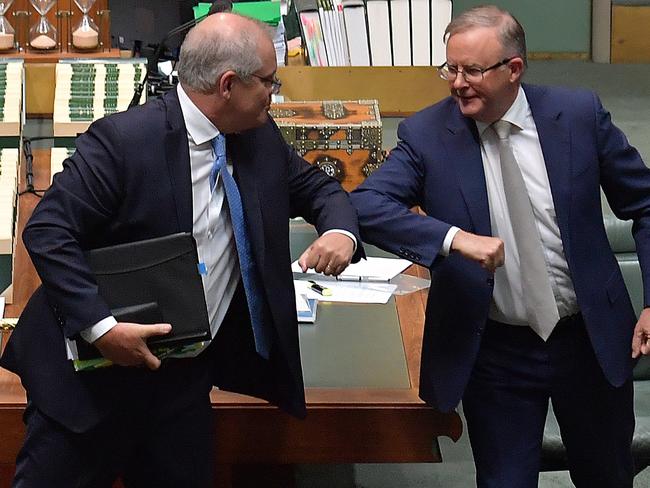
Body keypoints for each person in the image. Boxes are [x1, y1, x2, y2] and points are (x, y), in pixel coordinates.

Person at [1, 12, 362, 488]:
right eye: (270, 83)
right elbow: (48, 231)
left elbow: (320, 190)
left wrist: (341, 232)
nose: (274, 95)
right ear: (228, 85)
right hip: (88, 385)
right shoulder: (124, 142)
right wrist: (102, 329)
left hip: (182, 385)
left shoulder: (257, 137)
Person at [350, 5, 650, 487]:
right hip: (496, 351)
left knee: (608, 476)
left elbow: (646, 204)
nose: (457, 82)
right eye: (450, 68)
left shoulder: (577, 116)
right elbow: (366, 204)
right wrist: (452, 239)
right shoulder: (427, 134)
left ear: (514, 69)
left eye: (472, 70)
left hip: (588, 341)